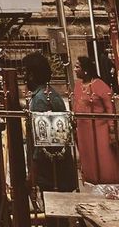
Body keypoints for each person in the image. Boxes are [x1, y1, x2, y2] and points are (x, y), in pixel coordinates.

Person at [23, 52, 77, 194]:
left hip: (50, 173)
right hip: (57, 171)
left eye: (25, 73)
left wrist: (33, 173)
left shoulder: (42, 99)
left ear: (31, 75)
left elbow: (44, 143)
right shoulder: (49, 94)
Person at [72, 55, 119, 189]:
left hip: (100, 129)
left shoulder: (100, 85)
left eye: (77, 67)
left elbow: (110, 109)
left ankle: (109, 183)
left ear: (86, 70)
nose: (75, 69)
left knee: (104, 156)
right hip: (83, 129)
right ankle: (91, 181)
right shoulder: (77, 86)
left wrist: (111, 130)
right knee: (88, 156)